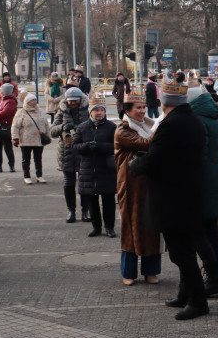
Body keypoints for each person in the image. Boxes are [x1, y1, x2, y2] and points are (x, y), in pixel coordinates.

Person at [128, 82, 210, 320]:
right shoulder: (192, 120)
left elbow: (157, 160)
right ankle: (185, 294)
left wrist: (136, 165)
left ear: (164, 102)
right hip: (188, 194)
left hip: (173, 198)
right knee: (185, 249)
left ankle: (198, 302)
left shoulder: (171, 125)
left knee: (181, 253)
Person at [114, 92, 161, 286]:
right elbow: (147, 144)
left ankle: (151, 271)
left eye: (143, 107)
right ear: (128, 111)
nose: (142, 111)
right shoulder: (123, 130)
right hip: (131, 186)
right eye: (138, 108)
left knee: (151, 226)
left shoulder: (146, 125)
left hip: (148, 183)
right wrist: (161, 126)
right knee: (130, 226)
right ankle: (129, 272)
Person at [188, 85, 218, 295]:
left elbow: (197, 155)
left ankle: (214, 278)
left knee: (199, 233)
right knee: (211, 231)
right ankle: (217, 277)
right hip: (214, 180)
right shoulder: (211, 115)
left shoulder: (197, 119)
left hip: (202, 182)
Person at [74, 99, 118, 238]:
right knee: (92, 201)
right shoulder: (82, 127)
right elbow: (74, 147)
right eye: (96, 110)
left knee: (108, 201)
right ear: (90, 112)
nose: (99, 113)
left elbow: (117, 146)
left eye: (102, 110)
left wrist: (100, 146)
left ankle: (109, 227)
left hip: (106, 169)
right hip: (88, 170)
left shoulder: (112, 127)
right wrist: (87, 146)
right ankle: (96, 227)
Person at [50, 87, 89, 222]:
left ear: (80, 99)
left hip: (83, 149)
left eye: (75, 100)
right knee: (68, 183)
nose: (72, 103)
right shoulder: (61, 111)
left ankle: (85, 211)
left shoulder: (88, 109)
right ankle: (71, 211)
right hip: (66, 151)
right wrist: (62, 127)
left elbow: (95, 125)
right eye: (70, 101)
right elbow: (52, 131)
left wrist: (81, 129)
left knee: (85, 183)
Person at [10, 93, 50, 185]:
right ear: (27, 102)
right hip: (26, 140)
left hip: (39, 139)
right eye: (32, 100)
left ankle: (39, 176)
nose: (35, 101)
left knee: (38, 159)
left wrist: (47, 136)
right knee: (26, 159)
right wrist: (15, 138)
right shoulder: (21, 112)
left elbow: (46, 124)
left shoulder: (40, 111)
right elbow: (15, 126)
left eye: (35, 100)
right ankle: (26, 176)